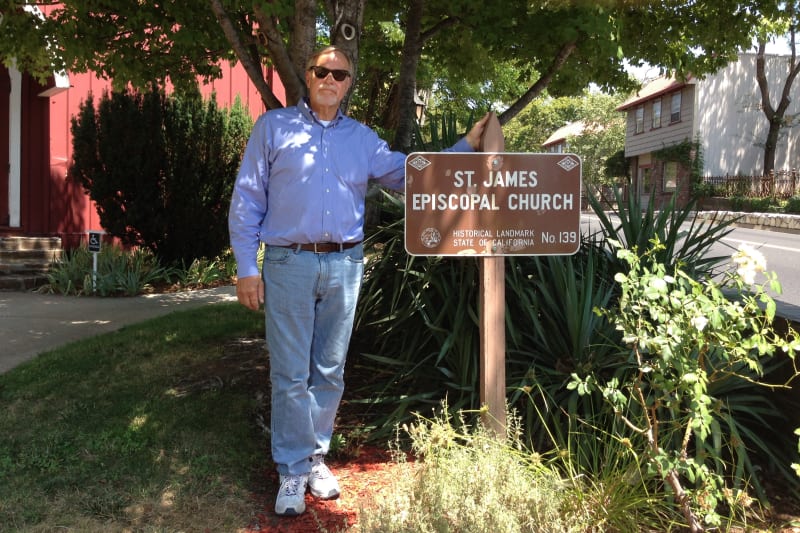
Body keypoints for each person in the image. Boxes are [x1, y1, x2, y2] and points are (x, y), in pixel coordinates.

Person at [228, 45, 489, 517]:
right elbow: (247, 199)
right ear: (308, 77)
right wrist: (248, 267)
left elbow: (410, 175)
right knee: (290, 373)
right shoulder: (274, 128)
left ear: (349, 83)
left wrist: (465, 147)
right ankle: (290, 469)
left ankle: (314, 459)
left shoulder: (362, 139)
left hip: (345, 265)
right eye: (321, 70)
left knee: (329, 370)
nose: (330, 78)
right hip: (288, 264)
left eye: (340, 73)